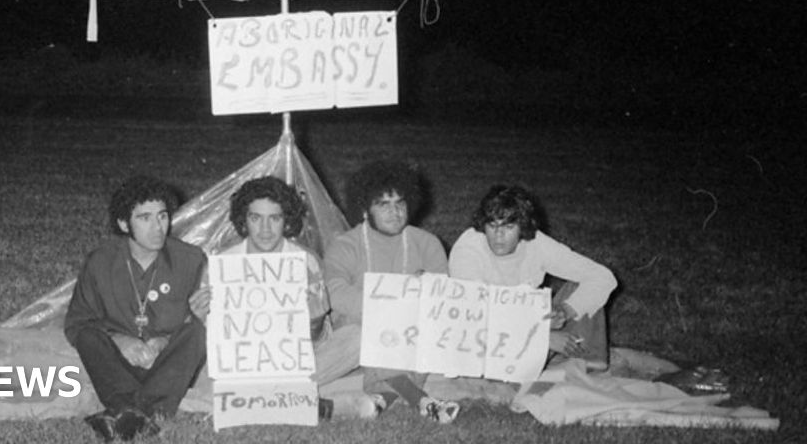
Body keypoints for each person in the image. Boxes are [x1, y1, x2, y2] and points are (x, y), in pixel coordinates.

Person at [187, 176, 372, 419]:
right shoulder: (222, 264)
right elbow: (211, 342)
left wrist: (315, 320)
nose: (265, 229)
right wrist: (199, 317)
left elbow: (317, 341)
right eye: (256, 218)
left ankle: (245, 401)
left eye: (274, 218)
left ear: (286, 222)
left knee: (357, 338)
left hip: (292, 362)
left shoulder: (305, 261)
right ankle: (306, 403)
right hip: (241, 362)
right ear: (244, 220)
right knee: (200, 372)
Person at [64, 176, 207, 442]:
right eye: (144, 218)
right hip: (117, 363)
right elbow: (77, 322)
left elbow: (196, 321)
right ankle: (146, 413)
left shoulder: (191, 259)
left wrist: (166, 340)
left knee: (199, 333)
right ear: (123, 223)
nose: (158, 228)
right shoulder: (101, 262)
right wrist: (118, 340)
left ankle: (126, 412)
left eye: (163, 216)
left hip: (168, 363)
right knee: (87, 338)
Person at [323, 160, 462, 424]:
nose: (395, 211)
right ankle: (420, 399)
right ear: (365, 209)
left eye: (400, 203)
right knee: (374, 331)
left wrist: (426, 289)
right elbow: (335, 292)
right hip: (358, 327)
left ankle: (378, 401)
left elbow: (442, 298)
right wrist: (386, 308)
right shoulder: (345, 245)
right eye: (383, 204)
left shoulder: (427, 243)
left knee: (422, 333)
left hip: (411, 329)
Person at [448, 184, 617, 371]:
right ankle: (549, 362)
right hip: (482, 338)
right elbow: (475, 314)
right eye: (492, 225)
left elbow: (603, 277)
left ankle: (586, 362)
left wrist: (565, 310)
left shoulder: (536, 243)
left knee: (581, 286)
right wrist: (541, 336)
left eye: (509, 226)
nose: (499, 235)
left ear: (523, 227)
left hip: (526, 322)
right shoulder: (468, 248)